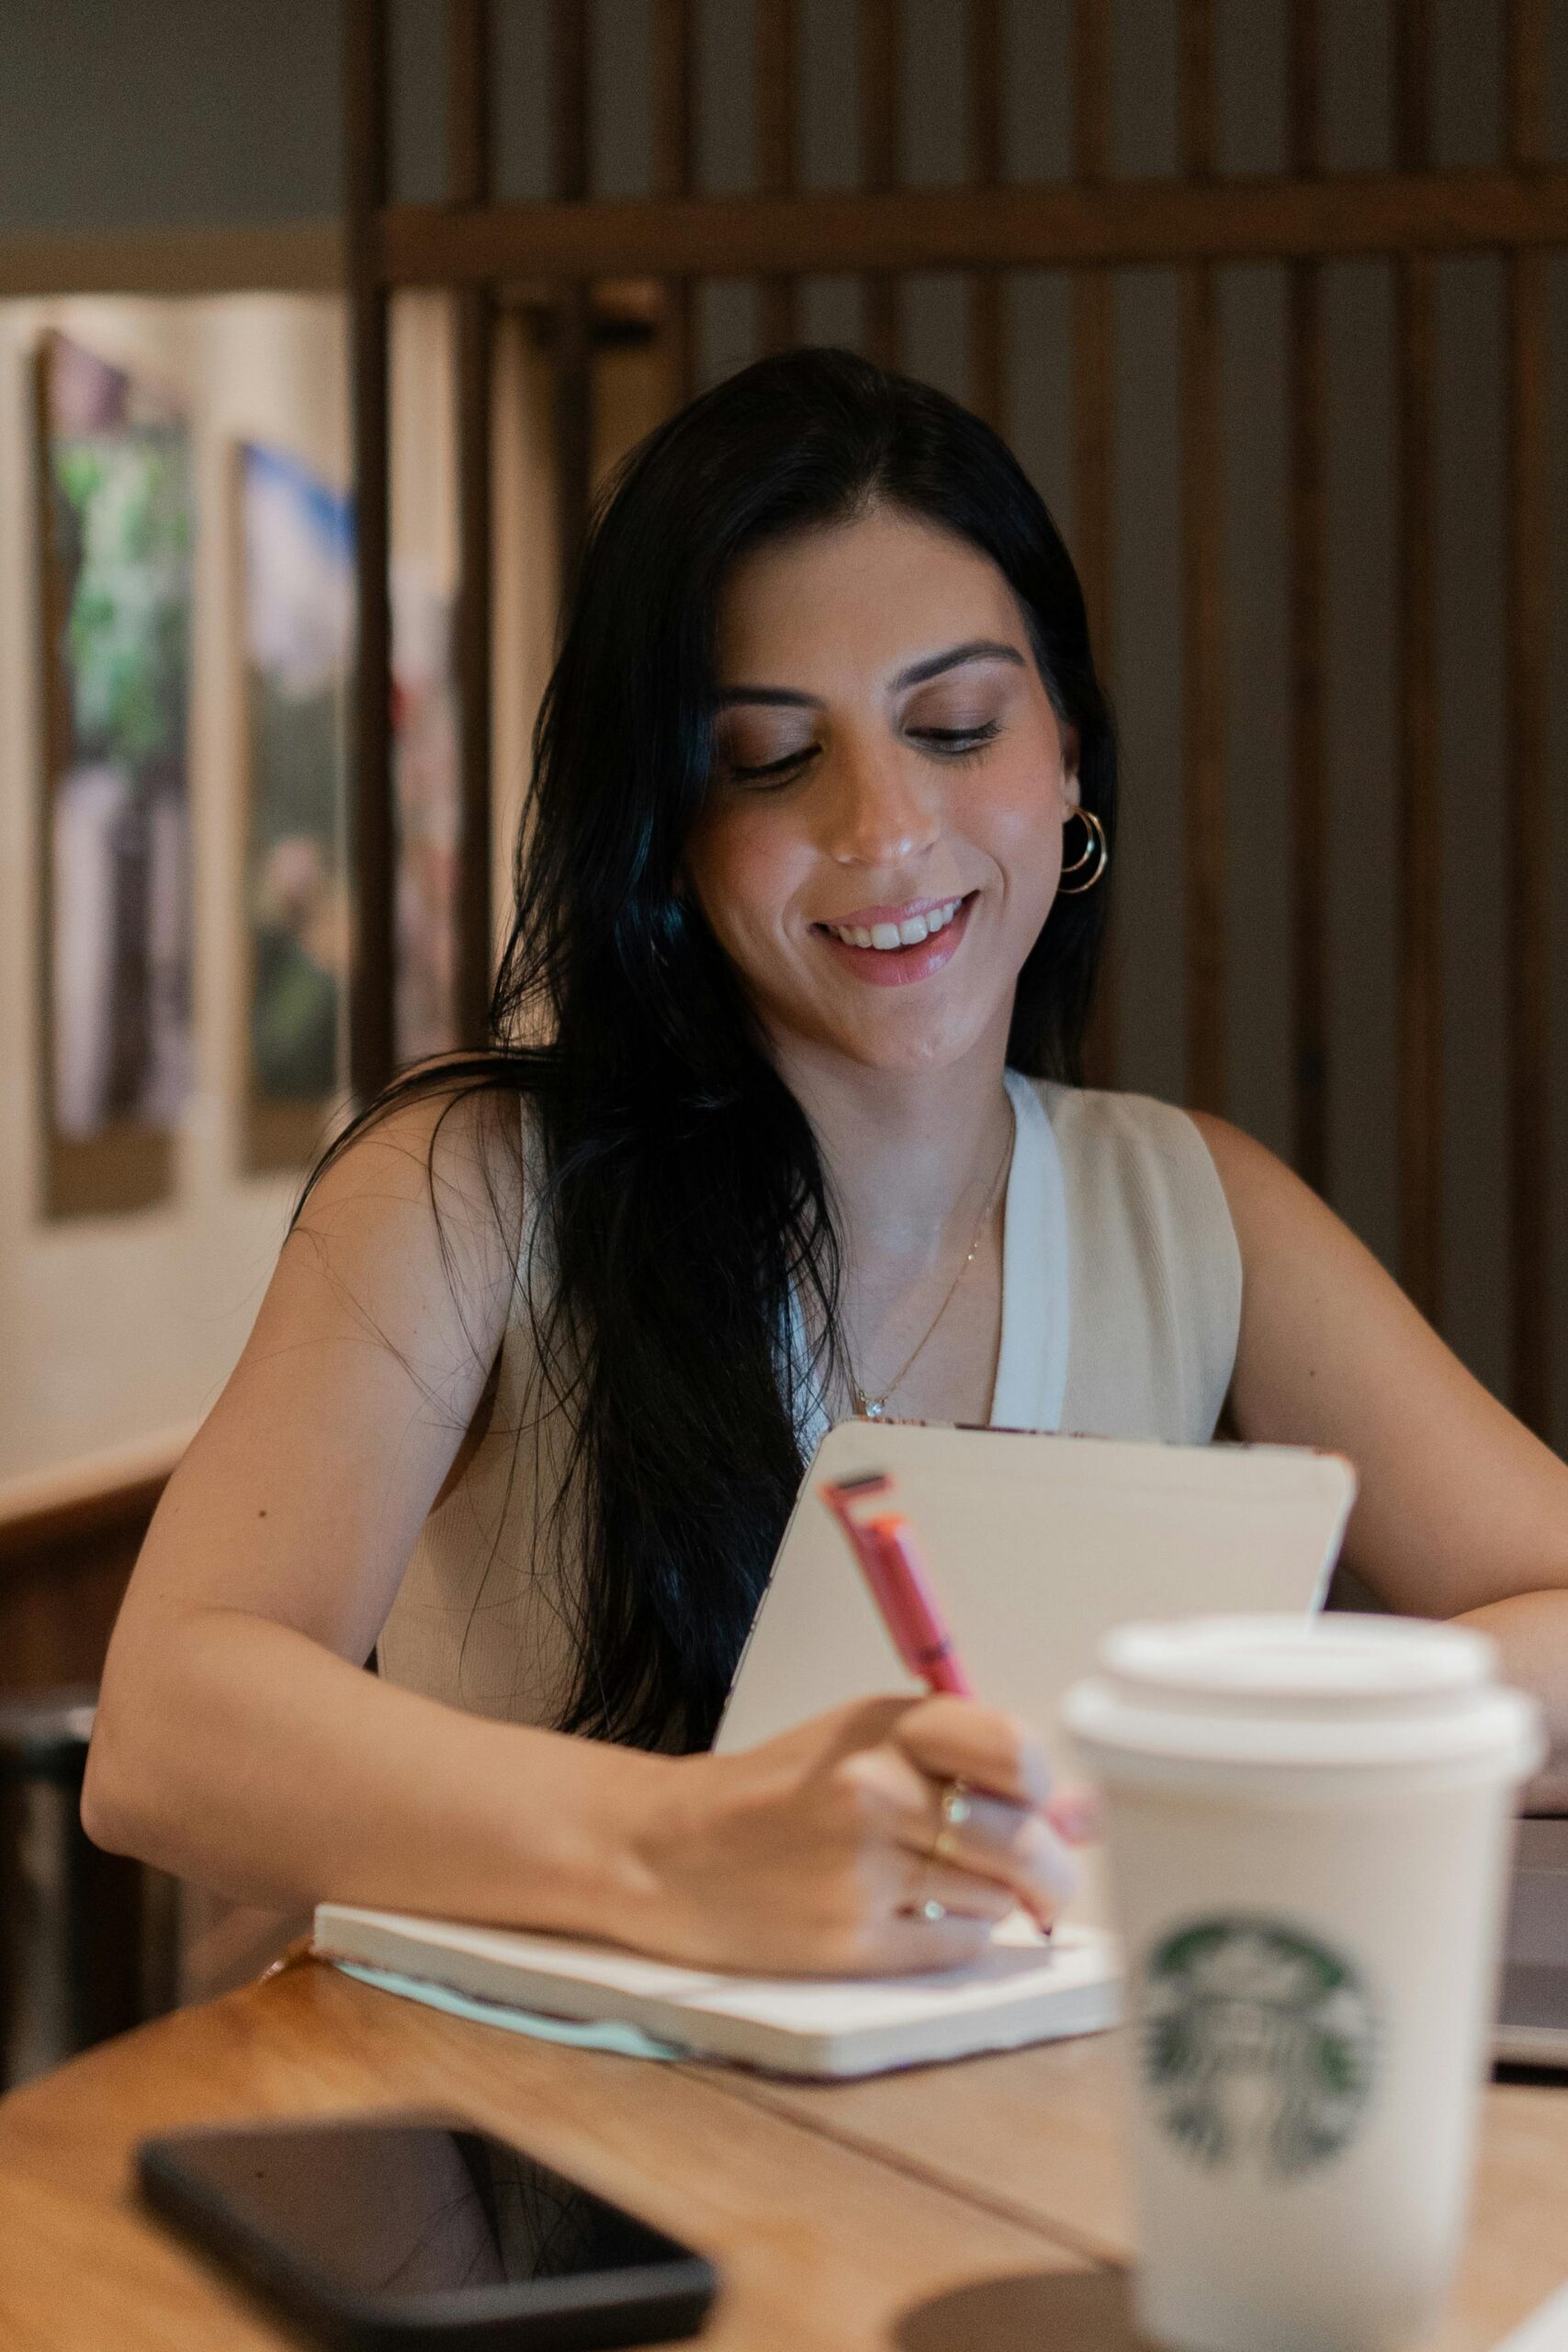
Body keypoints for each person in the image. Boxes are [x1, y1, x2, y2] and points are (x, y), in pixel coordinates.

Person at [83, 348, 1568, 1979]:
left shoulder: (1190, 1208)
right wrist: (681, 1851)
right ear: (666, 827)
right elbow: (165, 1730)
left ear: (1065, 752)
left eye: (954, 725)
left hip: (1025, 2167)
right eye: (773, 761)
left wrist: (1257, 1722)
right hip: (568, 2196)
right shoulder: (476, 1186)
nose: (885, 831)